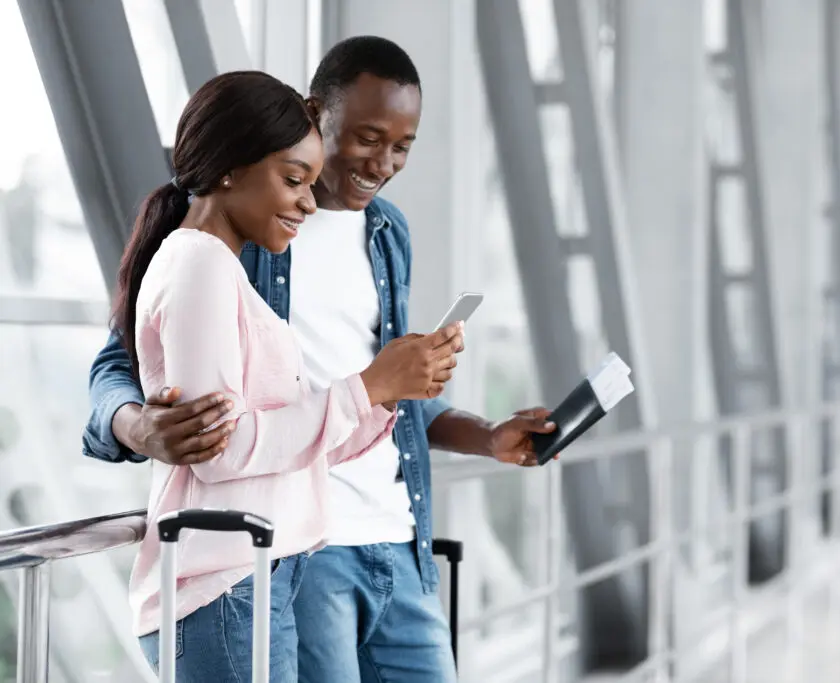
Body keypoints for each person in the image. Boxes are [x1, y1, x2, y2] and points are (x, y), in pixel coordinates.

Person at [85, 37, 554, 682]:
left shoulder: (389, 233)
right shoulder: (229, 240)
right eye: (366, 137)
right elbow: (123, 364)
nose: (382, 162)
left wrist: (482, 434)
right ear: (314, 114)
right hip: (302, 547)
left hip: (397, 535)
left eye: (402, 145)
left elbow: (366, 390)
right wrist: (135, 424)